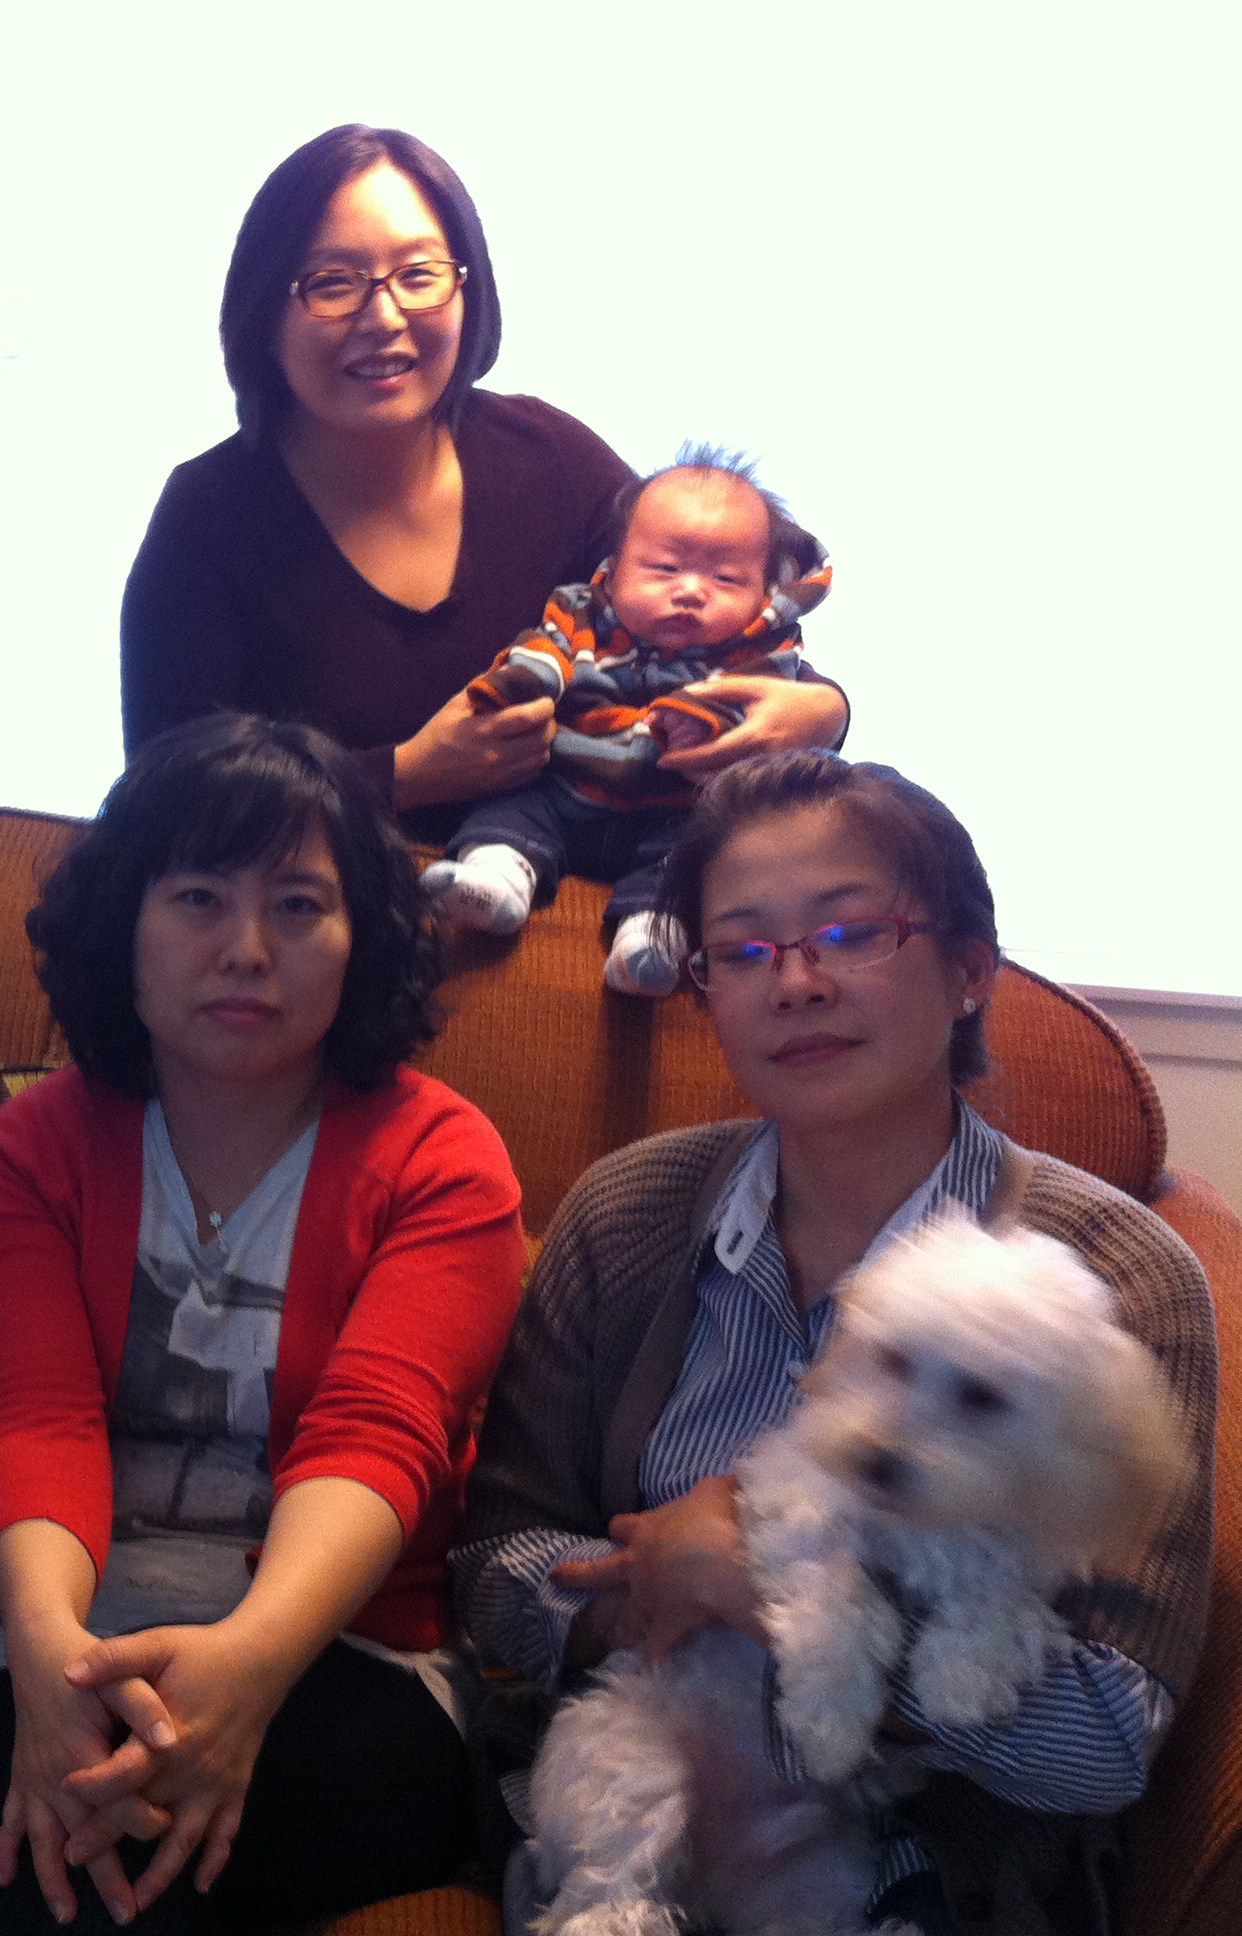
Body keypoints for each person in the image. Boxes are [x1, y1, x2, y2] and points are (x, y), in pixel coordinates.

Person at [450, 750, 1216, 1935]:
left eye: (852, 934)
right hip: (639, 1814)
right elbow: (494, 1565)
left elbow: (1106, 1743)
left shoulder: (1110, 1279)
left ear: (969, 970)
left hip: (929, 1877)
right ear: (705, 991)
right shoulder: (627, 1211)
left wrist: (749, 1593)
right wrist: (642, 1589)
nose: (796, 982)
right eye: (745, 949)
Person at [0, 713, 528, 1935]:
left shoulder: (443, 1159)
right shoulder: (35, 1146)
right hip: (62, 1637)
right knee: (57, 1869)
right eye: (199, 897)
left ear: (363, 937)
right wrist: (45, 1658)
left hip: (339, 1649)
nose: (247, 950)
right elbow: (35, 1418)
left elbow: (380, 1433)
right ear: (127, 925)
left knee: (142, 1868)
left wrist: (246, 1667)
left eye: (299, 906)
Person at [119, 125, 846, 846]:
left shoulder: (551, 457)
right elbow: (164, 808)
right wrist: (405, 775)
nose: (384, 317)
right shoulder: (208, 516)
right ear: (264, 314)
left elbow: (713, 618)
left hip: (582, 903)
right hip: (330, 910)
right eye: (332, 283)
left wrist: (826, 710)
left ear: (468, 288)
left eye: (419, 275)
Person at [422, 450, 837, 996]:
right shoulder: (581, 612)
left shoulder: (762, 649)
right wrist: (516, 686)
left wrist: (703, 722)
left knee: (699, 852)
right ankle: (497, 879)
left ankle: (650, 937)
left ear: (765, 595)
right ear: (615, 569)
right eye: (664, 568)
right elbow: (543, 653)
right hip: (565, 788)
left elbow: (757, 704)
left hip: (673, 808)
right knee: (510, 807)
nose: (690, 590)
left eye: (726, 578)